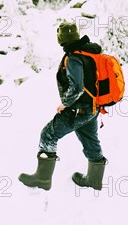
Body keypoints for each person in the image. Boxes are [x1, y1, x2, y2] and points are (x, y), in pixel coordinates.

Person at [19, 21, 108, 191]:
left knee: (48, 135)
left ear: (61, 38)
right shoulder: (90, 51)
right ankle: (94, 180)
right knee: (90, 141)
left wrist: (65, 104)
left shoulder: (74, 57)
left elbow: (77, 87)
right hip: (93, 108)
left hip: (79, 110)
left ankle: (42, 179)